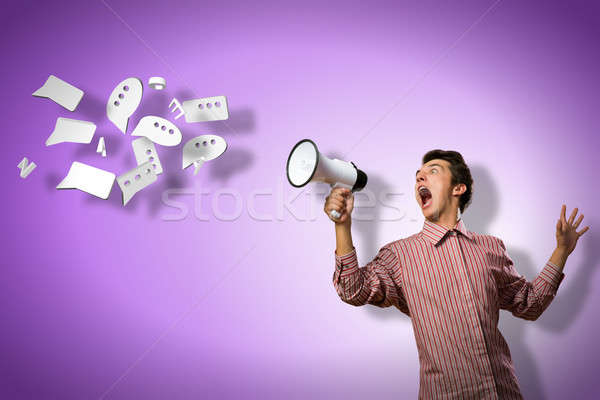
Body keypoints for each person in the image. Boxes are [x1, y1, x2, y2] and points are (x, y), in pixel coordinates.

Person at [324, 149, 589, 399]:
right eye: (418, 175)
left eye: (434, 170)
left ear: (458, 188)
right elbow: (352, 289)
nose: (419, 177)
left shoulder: (490, 247)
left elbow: (530, 305)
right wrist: (343, 226)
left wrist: (562, 251)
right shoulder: (400, 256)